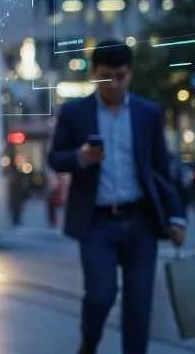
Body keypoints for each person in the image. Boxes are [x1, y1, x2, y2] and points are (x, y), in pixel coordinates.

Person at [47, 39, 186, 354]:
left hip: (140, 221)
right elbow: (55, 158)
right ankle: (89, 343)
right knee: (100, 294)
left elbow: (162, 171)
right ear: (94, 73)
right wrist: (80, 157)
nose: (113, 83)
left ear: (130, 74)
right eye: (106, 76)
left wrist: (176, 216)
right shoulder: (75, 112)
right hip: (96, 222)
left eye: (120, 76)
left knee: (139, 305)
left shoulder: (147, 113)